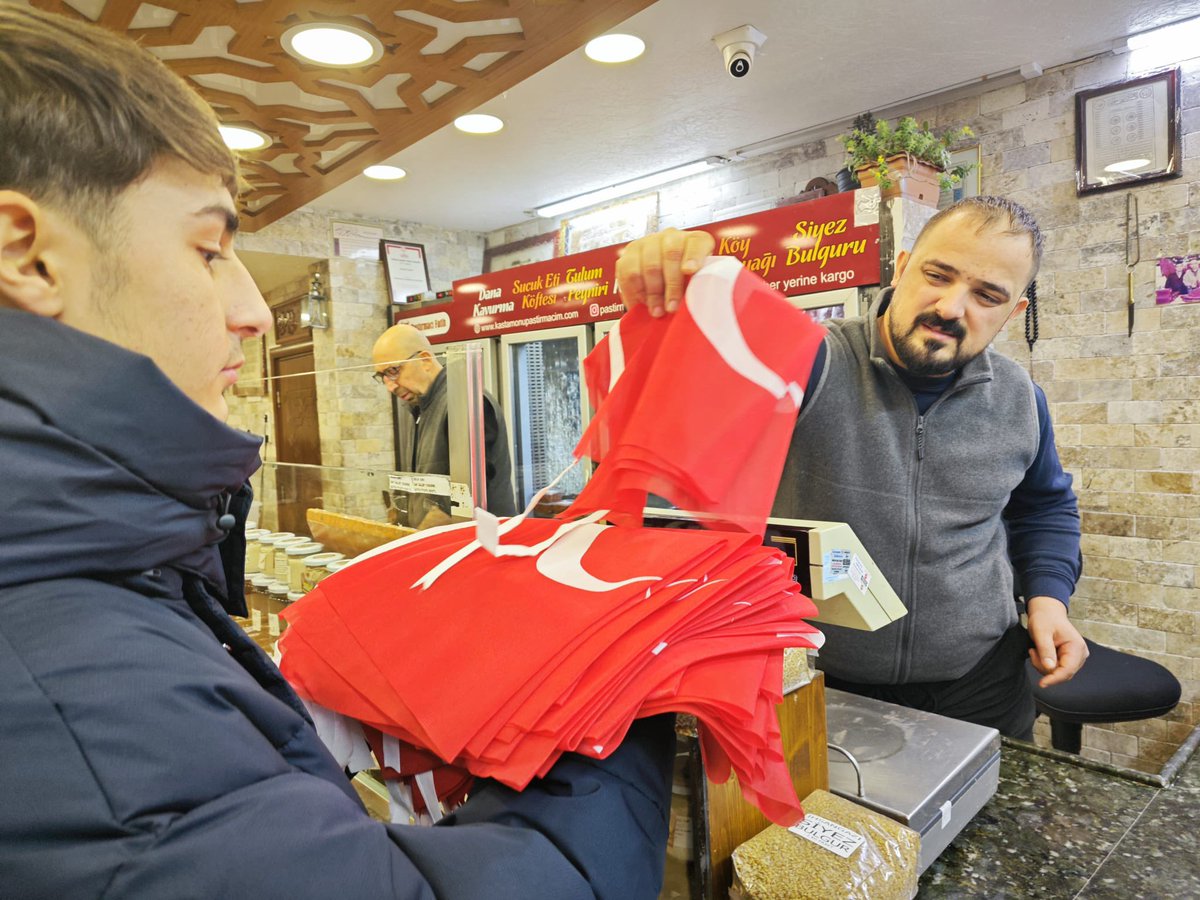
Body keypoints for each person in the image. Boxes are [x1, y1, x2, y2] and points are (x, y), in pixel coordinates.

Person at [0, 6, 673, 898]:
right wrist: (624, 678)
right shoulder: (71, 674)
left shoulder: (93, 586)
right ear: (28, 256)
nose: (251, 311)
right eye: (208, 249)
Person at [614, 197, 1088, 740]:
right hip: (820, 680)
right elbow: (684, 408)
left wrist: (1049, 600)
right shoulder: (812, 360)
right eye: (938, 275)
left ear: (1012, 312)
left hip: (982, 686)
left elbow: (1045, 507)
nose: (952, 307)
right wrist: (670, 286)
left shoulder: (1021, 400)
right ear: (902, 265)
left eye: (987, 296)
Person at [373, 323, 519, 526]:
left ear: (424, 360)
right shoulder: (415, 407)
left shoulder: (463, 402)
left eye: (393, 371)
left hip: (477, 543)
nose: (390, 386)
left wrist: (415, 546)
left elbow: (465, 498)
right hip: (438, 541)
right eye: (382, 376)